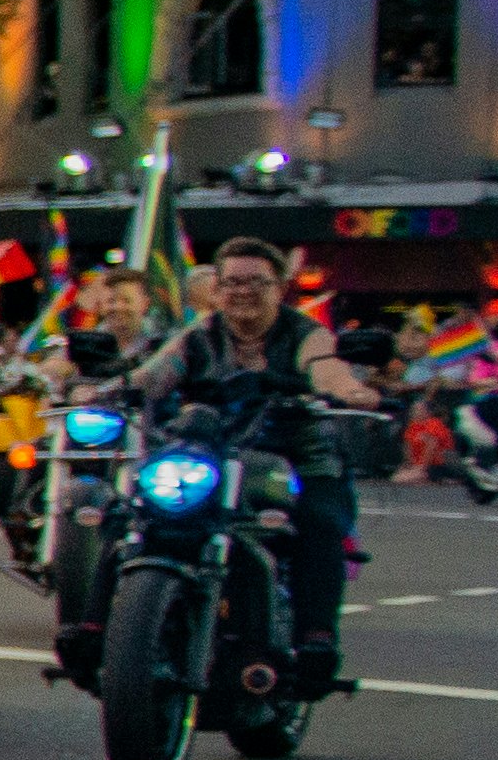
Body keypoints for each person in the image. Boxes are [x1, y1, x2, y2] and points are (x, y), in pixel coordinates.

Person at [124, 232, 383, 683]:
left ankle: (316, 641)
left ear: (279, 289)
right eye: (233, 282)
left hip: (296, 457)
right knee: (129, 510)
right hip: (215, 455)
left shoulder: (304, 332)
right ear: (217, 289)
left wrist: (349, 391)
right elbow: (153, 376)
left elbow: (326, 366)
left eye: (257, 282)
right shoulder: (199, 336)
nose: (243, 291)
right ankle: (95, 630)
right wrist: (105, 391)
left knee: (319, 522)